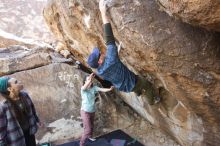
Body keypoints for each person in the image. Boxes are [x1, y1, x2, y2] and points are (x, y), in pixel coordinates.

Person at [87, 0, 161, 105]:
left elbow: (111, 62)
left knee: (135, 89)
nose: (102, 52)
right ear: (99, 61)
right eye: (100, 54)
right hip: (133, 82)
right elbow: (109, 37)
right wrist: (103, 12)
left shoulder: (100, 71)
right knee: (147, 85)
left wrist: (116, 53)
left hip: (123, 87)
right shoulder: (111, 59)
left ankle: (138, 93)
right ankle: (152, 101)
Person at [0, 77, 42, 146]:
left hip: (30, 132)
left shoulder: (25, 95)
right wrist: (2, 143)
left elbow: (32, 109)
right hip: (16, 138)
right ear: (10, 89)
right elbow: (1, 128)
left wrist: (37, 120)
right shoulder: (3, 107)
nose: (19, 81)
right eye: (16, 82)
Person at [80, 73, 113, 146]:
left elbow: (102, 89)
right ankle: (81, 143)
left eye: (91, 80)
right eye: (88, 80)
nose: (90, 81)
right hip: (85, 112)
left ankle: (90, 137)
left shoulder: (94, 88)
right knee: (87, 129)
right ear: (85, 81)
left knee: (91, 125)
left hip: (92, 111)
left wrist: (109, 89)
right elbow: (84, 87)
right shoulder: (83, 90)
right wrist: (89, 78)